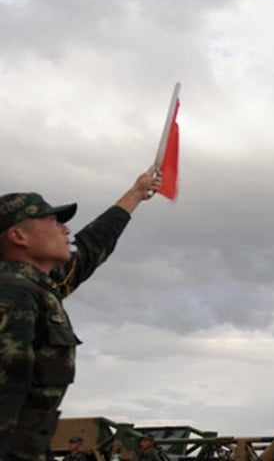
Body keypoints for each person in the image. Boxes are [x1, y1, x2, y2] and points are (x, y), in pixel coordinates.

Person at [0, 168, 162, 461]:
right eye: (52, 221)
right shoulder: (12, 293)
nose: (66, 229)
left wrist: (136, 193)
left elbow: (91, 246)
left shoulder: (39, 286)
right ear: (18, 235)